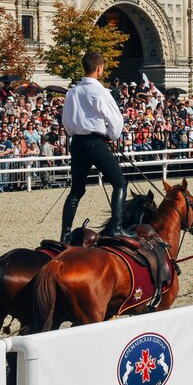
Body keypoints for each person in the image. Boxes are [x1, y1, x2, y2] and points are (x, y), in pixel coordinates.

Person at [60, 50, 129, 242]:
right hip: (95, 142)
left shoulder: (72, 92)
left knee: (77, 190)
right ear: (99, 68)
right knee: (119, 183)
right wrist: (111, 136)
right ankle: (116, 229)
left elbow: (66, 121)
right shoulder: (101, 92)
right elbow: (116, 120)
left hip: (77, 143)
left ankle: (65, 234)